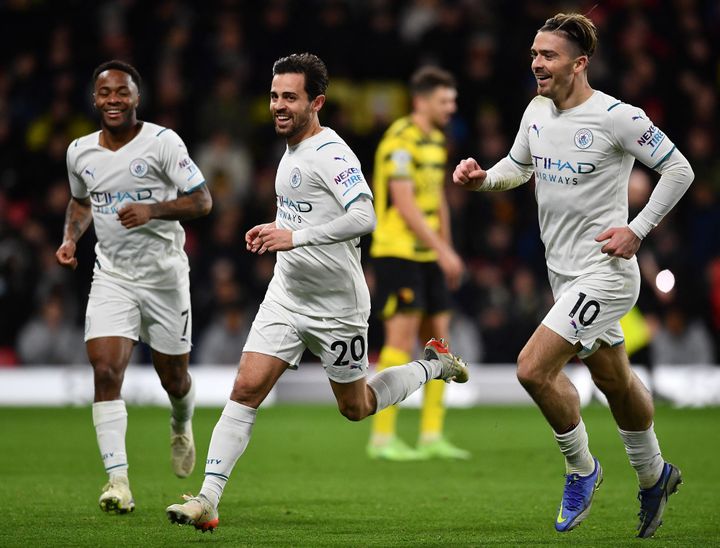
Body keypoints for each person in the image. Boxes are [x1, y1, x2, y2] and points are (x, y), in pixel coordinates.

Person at [165, 53, 469, 531]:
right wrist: (278, 227)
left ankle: (432, 364)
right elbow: (305, 215)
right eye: (273, 96)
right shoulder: (289, 152)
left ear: (317, 102)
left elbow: (365, 216)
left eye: (290, 97)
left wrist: (294, 237)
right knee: (245, 388)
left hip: (337, 308)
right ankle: (208, 498)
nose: (278, 105)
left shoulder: (331, 152)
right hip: (288, 295)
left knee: (356, 407)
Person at [453, 13, 693, 539]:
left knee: (532, 368)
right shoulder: (537, 110)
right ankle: (655, 475)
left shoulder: (617, 117)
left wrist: (638, 229)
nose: (537, 63)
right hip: (562, 275)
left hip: (605, 272)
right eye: (535, 53)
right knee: (614, 380)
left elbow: (680, 169)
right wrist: (482, 179)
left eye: (549, 55)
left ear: (579, 64)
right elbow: (519, 168)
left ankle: (582, 469)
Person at [55, 60, 212, 514]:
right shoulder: (80, 152)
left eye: (122, 92)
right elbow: (81, 202)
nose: (114, 100)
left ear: (136, 97)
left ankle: (181, 423)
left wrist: (153, 210)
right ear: (95, 99)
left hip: (164, 278)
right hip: (113, 277)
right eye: (105, 93)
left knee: (174, 378)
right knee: (105, 371)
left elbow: (203, 200)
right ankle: (118, 482)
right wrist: (70, 238)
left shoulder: (163, 143)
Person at [368, 66, 468, 461]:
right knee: (399, 340)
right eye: (445, 101)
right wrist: (443, 251)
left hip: (427, 254)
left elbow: (437, 198)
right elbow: (405, 204)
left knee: (439, 341)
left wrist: (447, 248)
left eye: (453, 100)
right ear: (421, 101)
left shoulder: (435, 141)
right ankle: (382, 437)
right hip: (397, 251)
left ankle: (430, 435)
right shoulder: (400, 140)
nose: (451, 107)